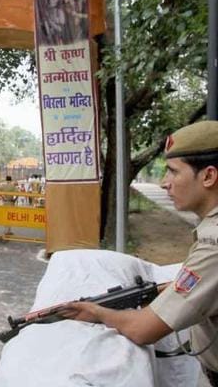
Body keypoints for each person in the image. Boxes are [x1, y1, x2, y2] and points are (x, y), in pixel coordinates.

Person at [62, 120, 218, 386]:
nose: (163, 183)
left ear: (208, 176)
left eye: (173, 172)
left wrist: (97, 312)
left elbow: (143, 329)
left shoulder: (213, 245)